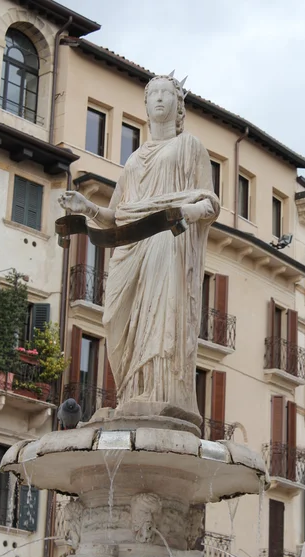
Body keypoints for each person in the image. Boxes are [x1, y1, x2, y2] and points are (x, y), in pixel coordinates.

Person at [59, 75, 220, 426]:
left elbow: (210, 201)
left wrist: (189, 213)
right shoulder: (133, 160)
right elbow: (117, 215)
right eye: (154, 94)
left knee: (162, 314)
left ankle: (162, 393)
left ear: (179, 107)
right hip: (132, 247)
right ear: (146, 106)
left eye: (167, 93)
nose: (160, 99)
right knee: (116, 317)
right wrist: (87, 207)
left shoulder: (189, 146)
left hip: (167, 237)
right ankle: (133, 391)